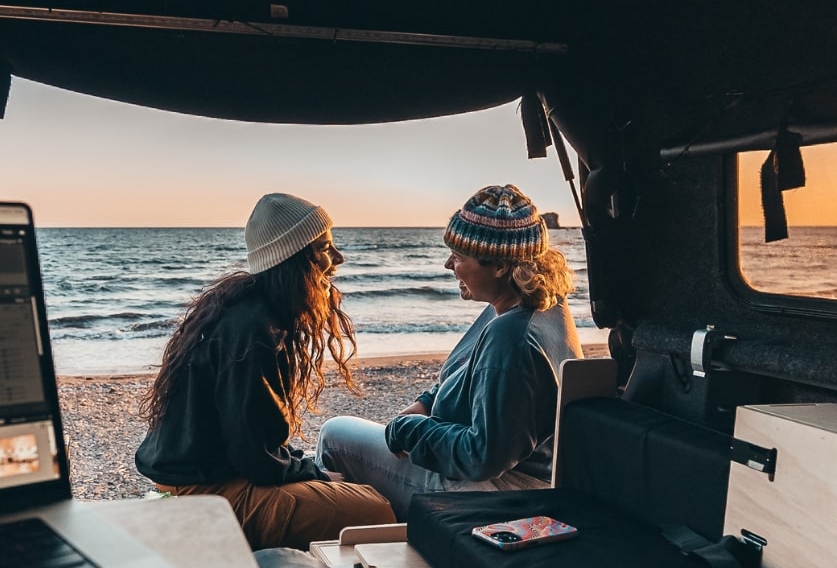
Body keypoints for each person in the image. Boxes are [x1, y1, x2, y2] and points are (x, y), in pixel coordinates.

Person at [134, 193, 394, 549]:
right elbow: (256, 461)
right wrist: (315, 473)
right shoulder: (255, 331)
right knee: (377, 510)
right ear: (295, 258)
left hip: (199, 480)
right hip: (203, 495)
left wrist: (307, 472)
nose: (338, 259)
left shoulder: (246, 310)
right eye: (325, 249)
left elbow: (252, 445)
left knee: (347, 493)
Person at [317, 185, 579, 516]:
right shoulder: (534, 304)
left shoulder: (511, 337)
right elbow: (468, 369)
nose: (447, 265)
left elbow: (483, 457)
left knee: (334, 435)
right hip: (516, 480)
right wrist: (425, 403)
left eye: (458, 257)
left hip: (495, 495)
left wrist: (408, 430)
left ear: (499, 265)